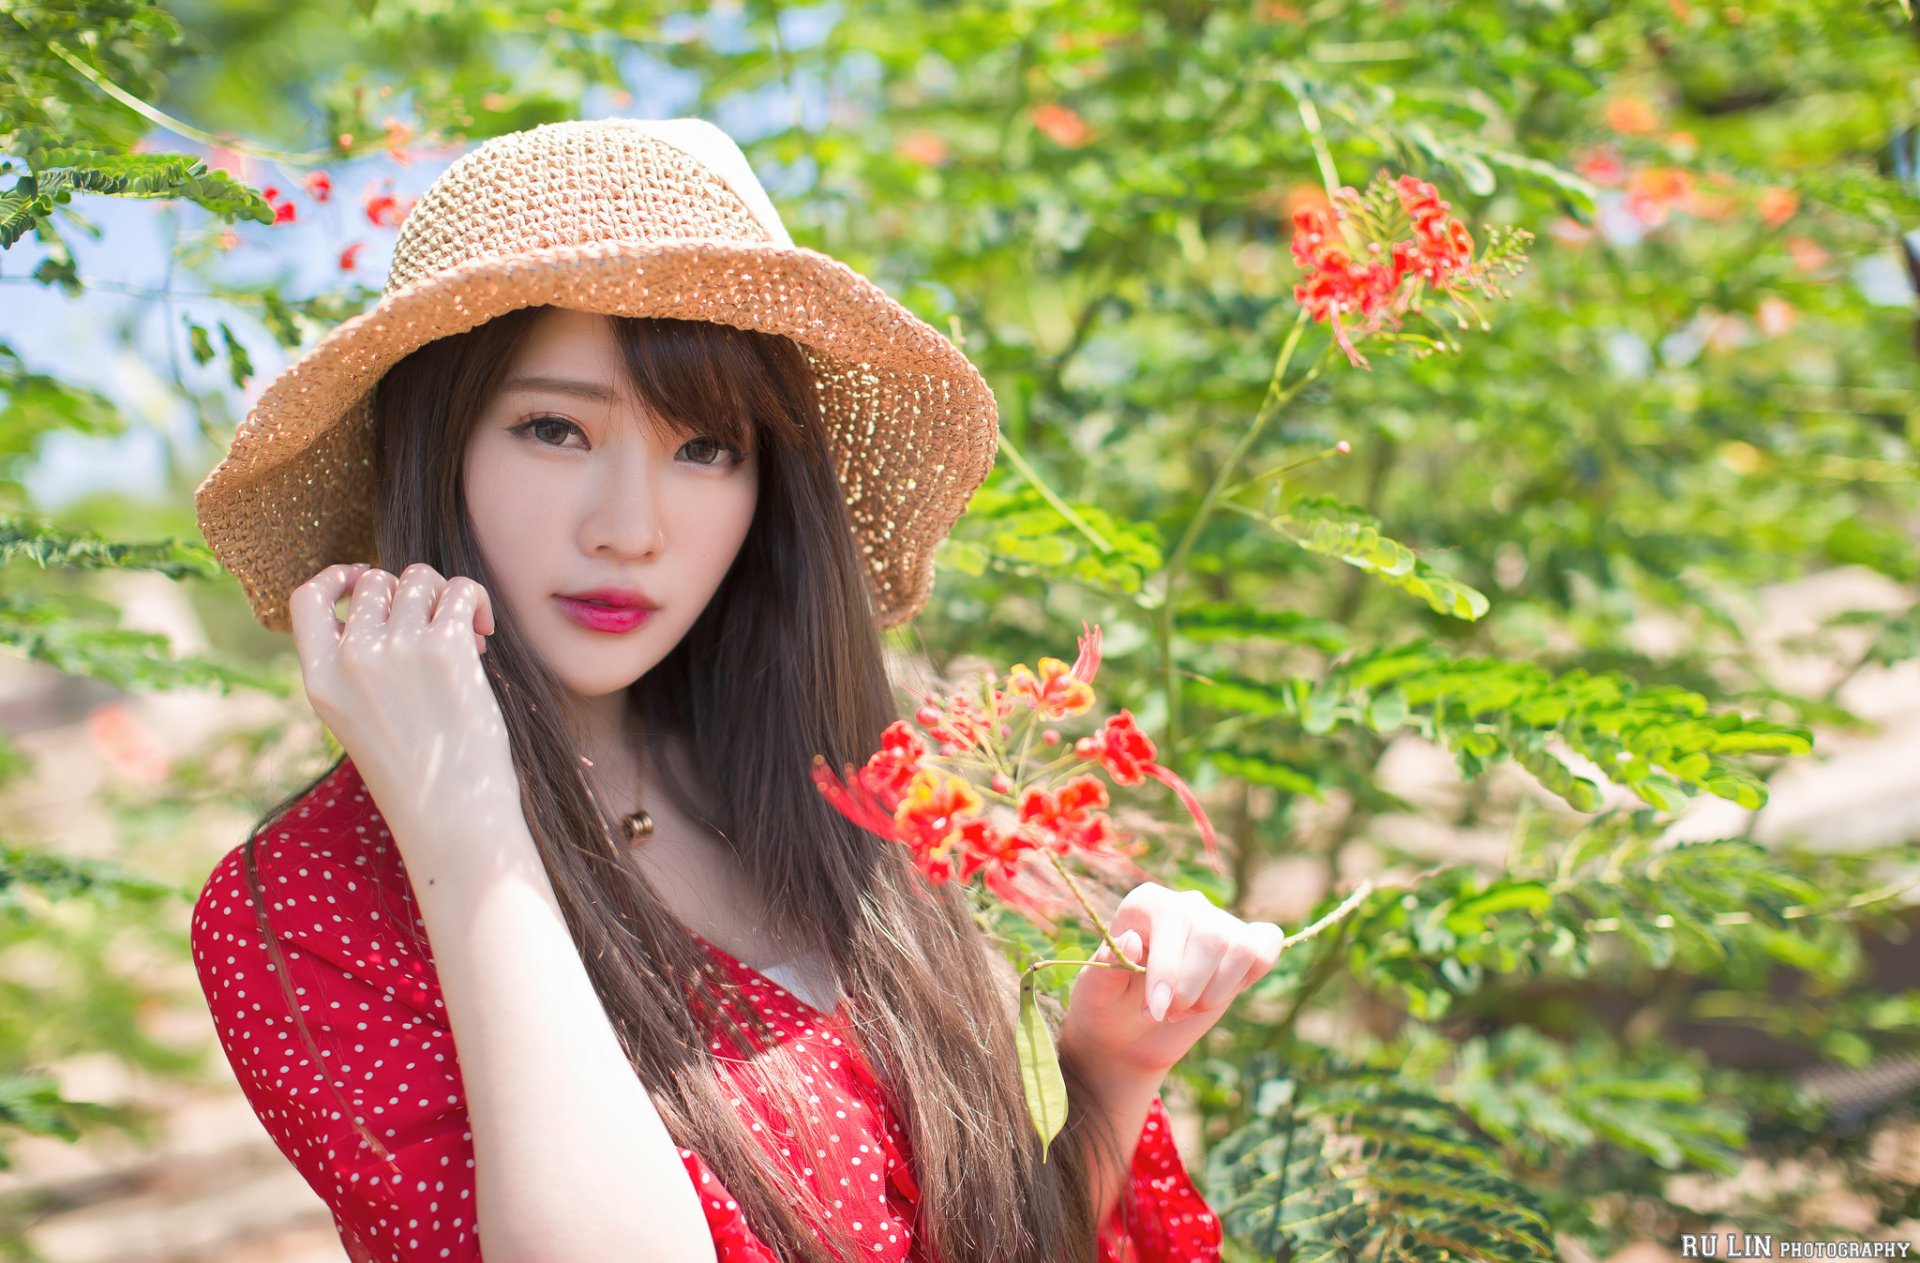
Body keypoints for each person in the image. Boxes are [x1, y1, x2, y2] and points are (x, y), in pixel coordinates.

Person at [189, 117, 1283, 1263]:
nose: (630, 530)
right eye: (554, 428)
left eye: (705, 448)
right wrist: (467, 832)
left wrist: (1107, 1073)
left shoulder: (859, 790)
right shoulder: (314, 903)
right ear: (433, 450)